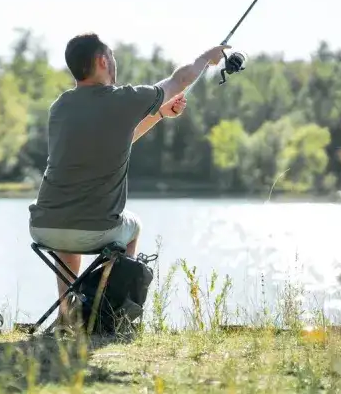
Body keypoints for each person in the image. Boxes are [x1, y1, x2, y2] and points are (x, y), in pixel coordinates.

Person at [28, 33, 230, 308]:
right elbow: (179, 80)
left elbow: (124, 138)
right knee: (133, 227)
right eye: (111, 56)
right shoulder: (121, 99)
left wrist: (158, 114)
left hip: (43, 227)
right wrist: (208, 57)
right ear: (102, 60)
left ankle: (67, 312)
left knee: (69, 220)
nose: (114, 61)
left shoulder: (60, 106)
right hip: (96, 230)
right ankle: (109, 310)